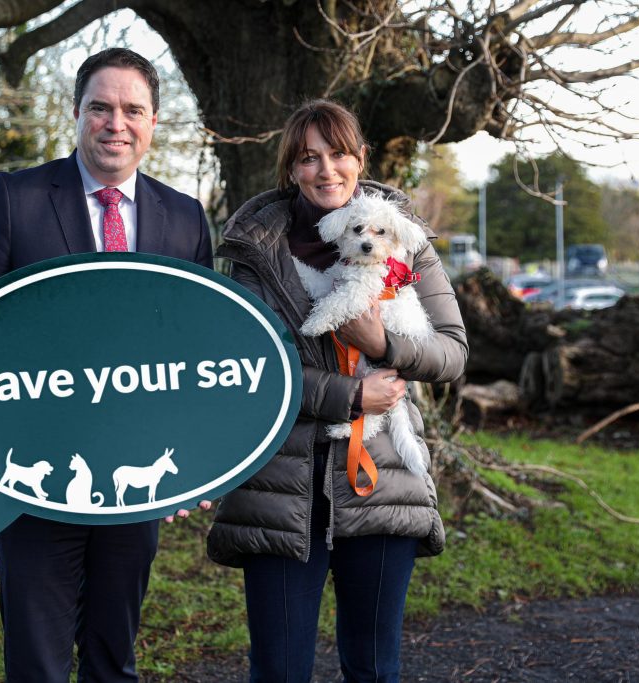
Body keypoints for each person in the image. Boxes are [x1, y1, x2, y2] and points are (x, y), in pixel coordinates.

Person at [0, 48, 213, 683]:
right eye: (101, 108)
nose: (117, 123)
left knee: (115, 656)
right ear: (77, 114)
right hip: (34, 471)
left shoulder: (185, 217)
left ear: (154, 122)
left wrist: (191, 462)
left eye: (132, 110)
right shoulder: (16, 199)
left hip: (133, 473)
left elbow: (195, 352)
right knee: (38, 661)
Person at [206, 99, 468, 683]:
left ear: (360, 158)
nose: (327, 170)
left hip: (381, 479)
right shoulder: (254, 249)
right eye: (308, 158)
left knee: (374, 667)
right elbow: (243, 368)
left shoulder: (405, 240)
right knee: (277, 669)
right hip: (278, 484)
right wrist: (348, 397)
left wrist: (385, 344)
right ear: (290, 169)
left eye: (339, 154)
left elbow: (452, 351)